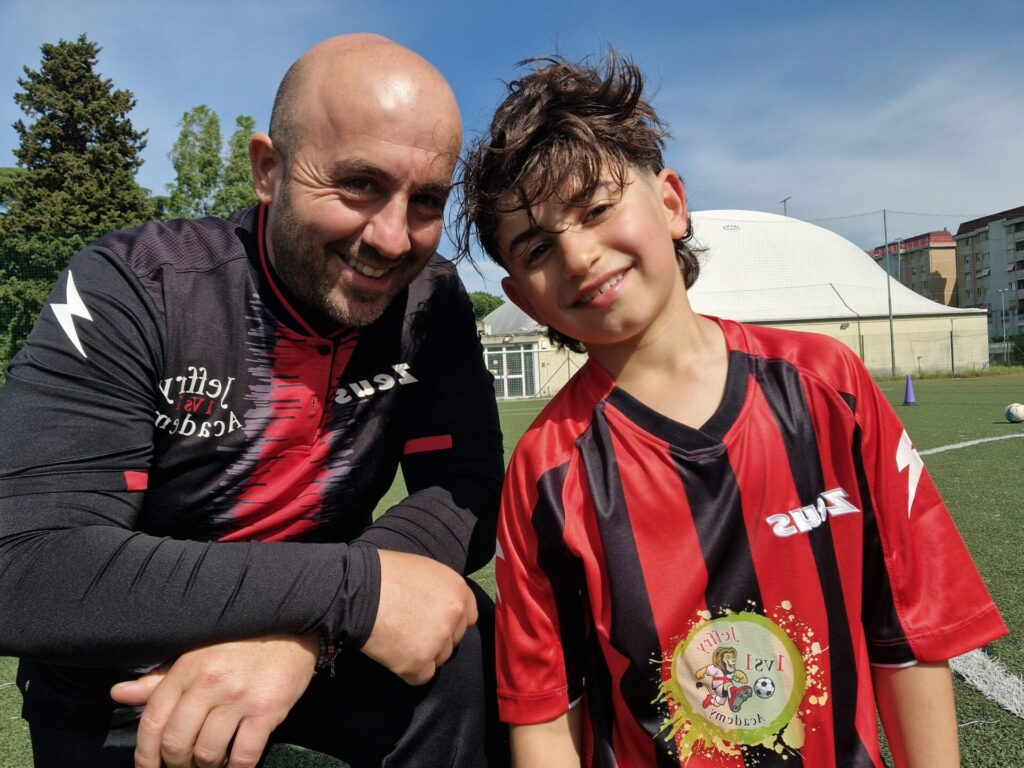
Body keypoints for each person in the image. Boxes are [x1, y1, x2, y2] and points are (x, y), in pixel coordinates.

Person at [456, 52, 1007, 768]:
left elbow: (911, 630)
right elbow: (545, 711)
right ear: (523, 297)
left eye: (595, 208)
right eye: (538, 247)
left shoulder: (825, 385)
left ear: (671, 202)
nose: (580, 254)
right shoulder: (548, 470)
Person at [0, 34, 507, 768]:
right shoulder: (131, 287)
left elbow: (465, 490)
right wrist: (353, 591)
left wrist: (310, 631)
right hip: (128, 677)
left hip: (322, 649)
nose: (394, 239)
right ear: (268, 170)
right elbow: (24, 562)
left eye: (426, 200)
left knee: (464, 645)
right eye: (359, 184)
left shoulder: (431, 300)